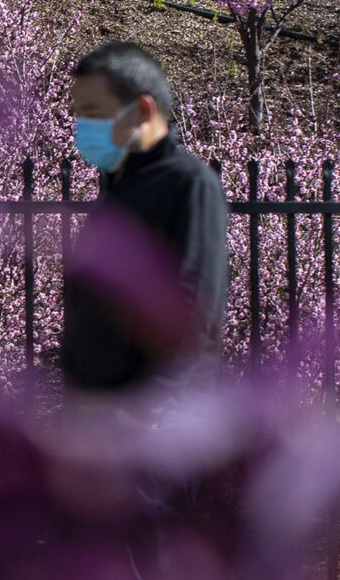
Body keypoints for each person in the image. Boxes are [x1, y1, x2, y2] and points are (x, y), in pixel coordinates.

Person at [60, 41, 228, 392]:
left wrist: (146, 415)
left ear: (142, 110)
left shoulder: (188, 184)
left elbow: (193, 313)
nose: (81, 127)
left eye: (92, 112)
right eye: (78, 114)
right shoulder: (119, 189)